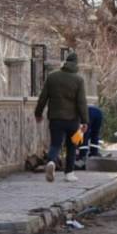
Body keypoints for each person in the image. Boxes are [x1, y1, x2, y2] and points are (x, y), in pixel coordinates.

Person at [35, 52, 89, 183]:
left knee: (55, 144)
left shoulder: (52, 77)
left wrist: (38, 113)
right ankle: (69, 173)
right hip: (72, 120)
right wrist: (85, 121)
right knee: (72, 146)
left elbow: (43, 97)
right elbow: (81, 102)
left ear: (65, 62)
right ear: (76, 64)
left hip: (56, 118)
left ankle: (52, 161)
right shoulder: (79, 80)